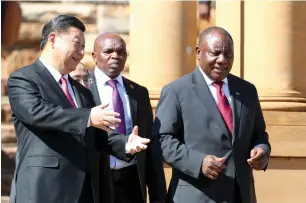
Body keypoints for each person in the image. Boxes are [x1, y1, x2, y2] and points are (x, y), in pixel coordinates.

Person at [7, 15, 150, 203]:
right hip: (44, 189)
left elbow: (97, 134)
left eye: (84, 47)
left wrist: (125, 143)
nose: (81, 52)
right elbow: (38, 114)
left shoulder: (81, 91)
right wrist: (89, 116)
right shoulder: (24, 79)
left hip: (84, 191)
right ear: (53, 39)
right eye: (77, 44)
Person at [153, 26, 271, 203]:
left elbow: (259, 134)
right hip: (197, 196)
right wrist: (198, 163)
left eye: (228, 55)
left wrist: (262, 150)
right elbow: (162, 139)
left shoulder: (247, 91)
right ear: (199, 52)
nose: (222, 60)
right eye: (215, 53)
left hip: (241, 195)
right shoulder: (176, 91)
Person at [88, 33, 167, 203]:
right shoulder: (82, 88)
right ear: (94, 56)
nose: (116, 56)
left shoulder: (138, 93)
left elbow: (150, 146)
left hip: (132, 182)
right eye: (108, 51)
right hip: (96, 181)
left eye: (121, 52)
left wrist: (158, 196)